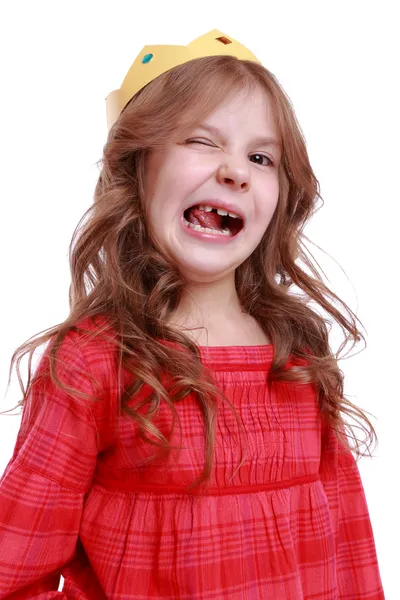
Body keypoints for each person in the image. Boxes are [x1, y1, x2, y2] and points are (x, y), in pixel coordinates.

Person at [0, 29, 385, 599]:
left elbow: (351, 557)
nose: (236, 170)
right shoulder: (93, 364)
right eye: (203, 142)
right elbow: (16, 575)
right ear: (139, 169)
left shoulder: (297, 356)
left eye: (261, 157)